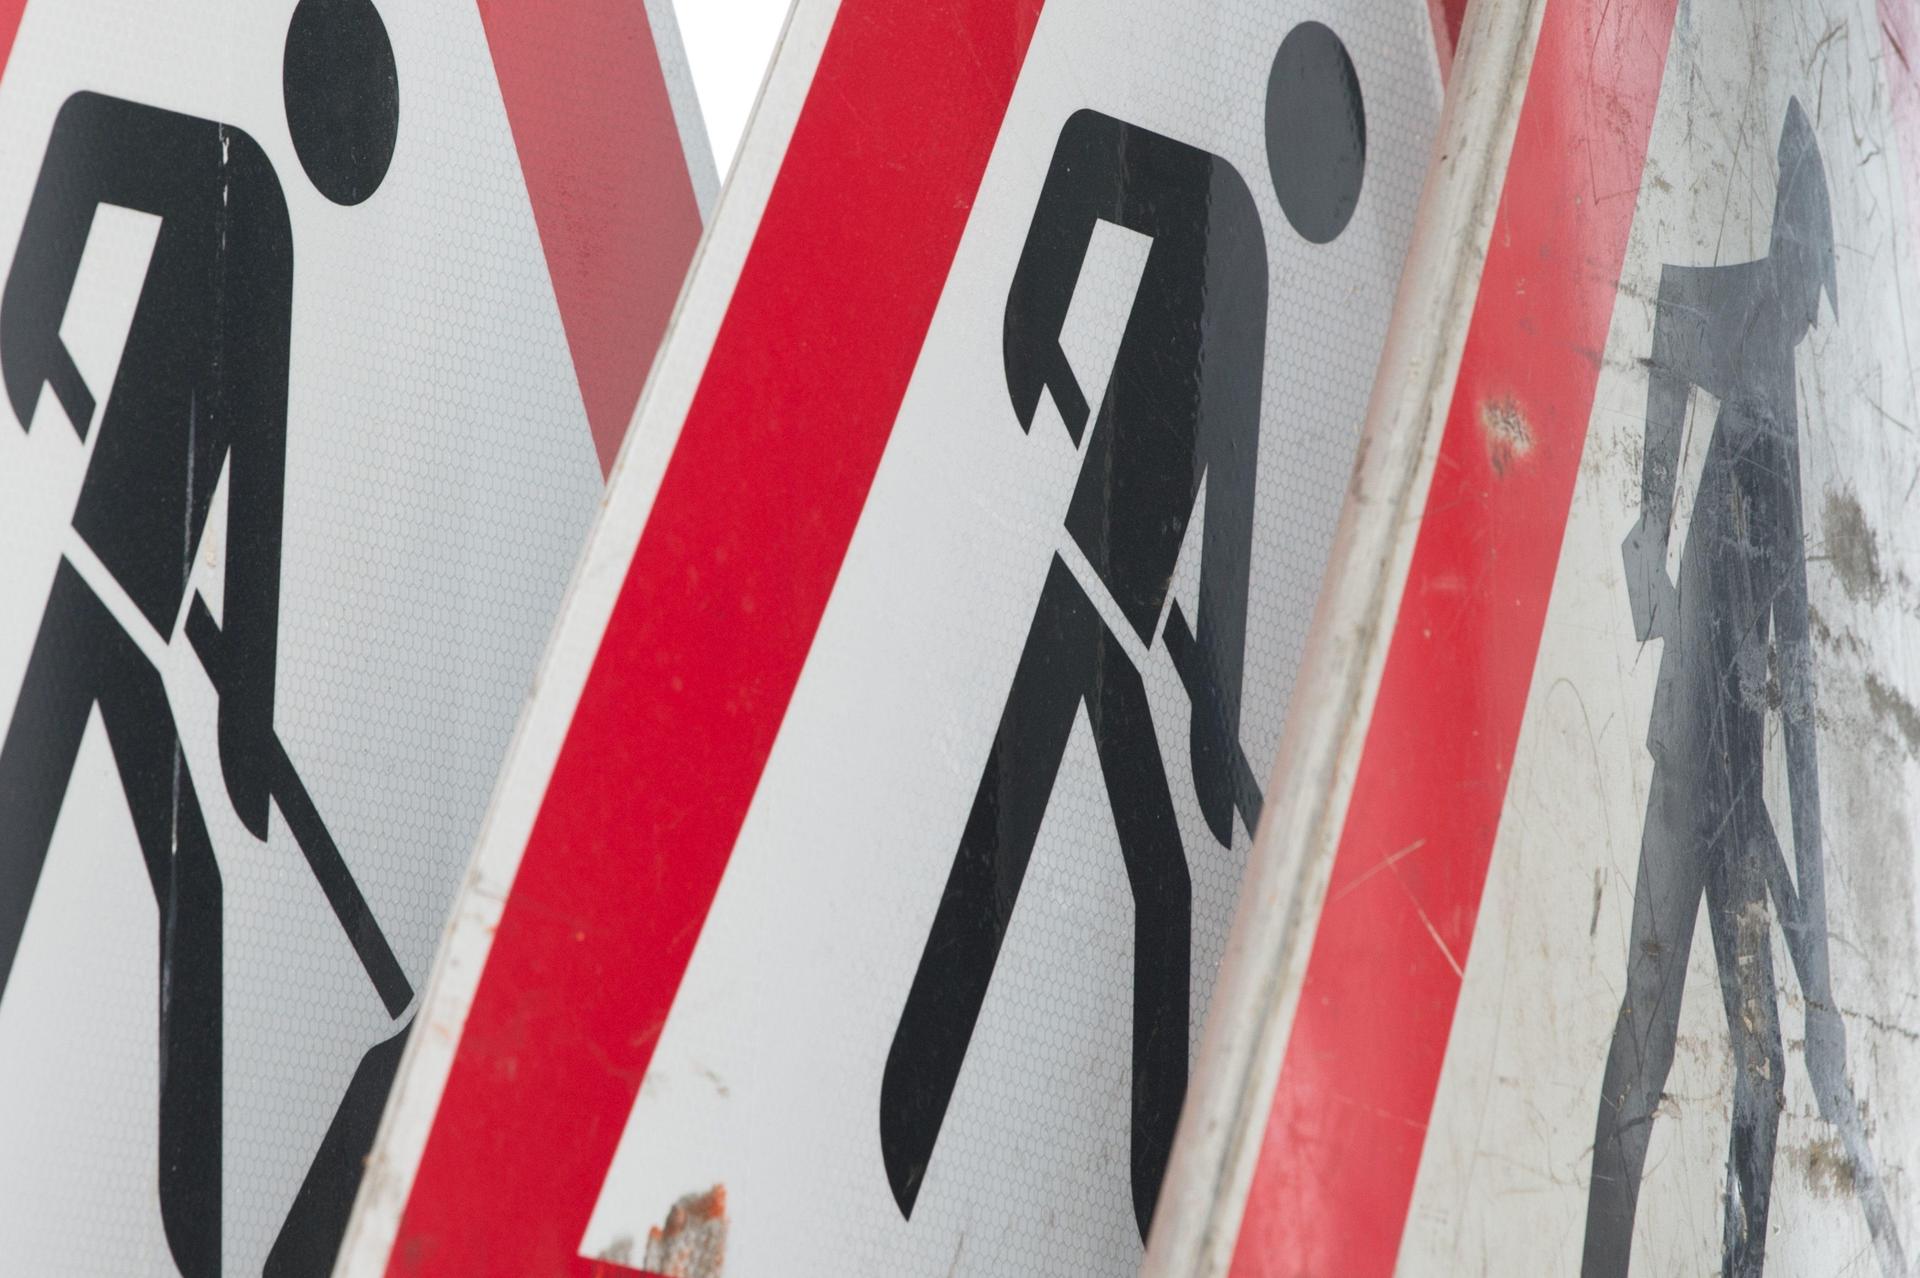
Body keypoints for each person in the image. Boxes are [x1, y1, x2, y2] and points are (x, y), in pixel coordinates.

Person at [0, 3, 401, 1272]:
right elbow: (67, 154)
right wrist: (34, 377)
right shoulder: (195, 166)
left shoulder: (265, 231)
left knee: (193, 884)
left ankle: (201, 1230)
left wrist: (241, 735)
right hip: (84, 582)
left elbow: (262, 505)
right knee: (37, 797)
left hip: (143, 610)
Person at [880, 109, 1268, 1239]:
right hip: (1082, 581)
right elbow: (1092, 152)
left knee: (1120, 871)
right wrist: (1029, 323)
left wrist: (1214, 725)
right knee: (1082, 859)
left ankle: (938, 1118)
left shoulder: (1251, 257)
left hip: (1118, 616)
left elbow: (1232, 520)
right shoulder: (1222, 210)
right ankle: (926, 1122)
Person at [1584, 97, 1847, 1277]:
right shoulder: (1740, 310)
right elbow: (1671, 315)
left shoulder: (1787, 402)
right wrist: (1647, 510)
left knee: (1763, 1069)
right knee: (1642, 1051)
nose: (1800, 315)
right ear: (1791, 259)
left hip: (1744, 805)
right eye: (1801, 289)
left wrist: (1826, 989)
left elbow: (1799, 734)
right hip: (1689, 759)